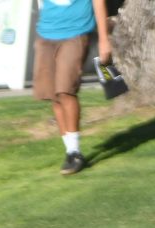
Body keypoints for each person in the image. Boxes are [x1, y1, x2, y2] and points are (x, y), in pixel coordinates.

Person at [33, 0, 112, 175]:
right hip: (45, 35)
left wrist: (104, 40)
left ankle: (75, 152)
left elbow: (99, 3)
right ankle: (70, 152)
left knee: (65, 90)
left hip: (76, 33)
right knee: (54, 95)